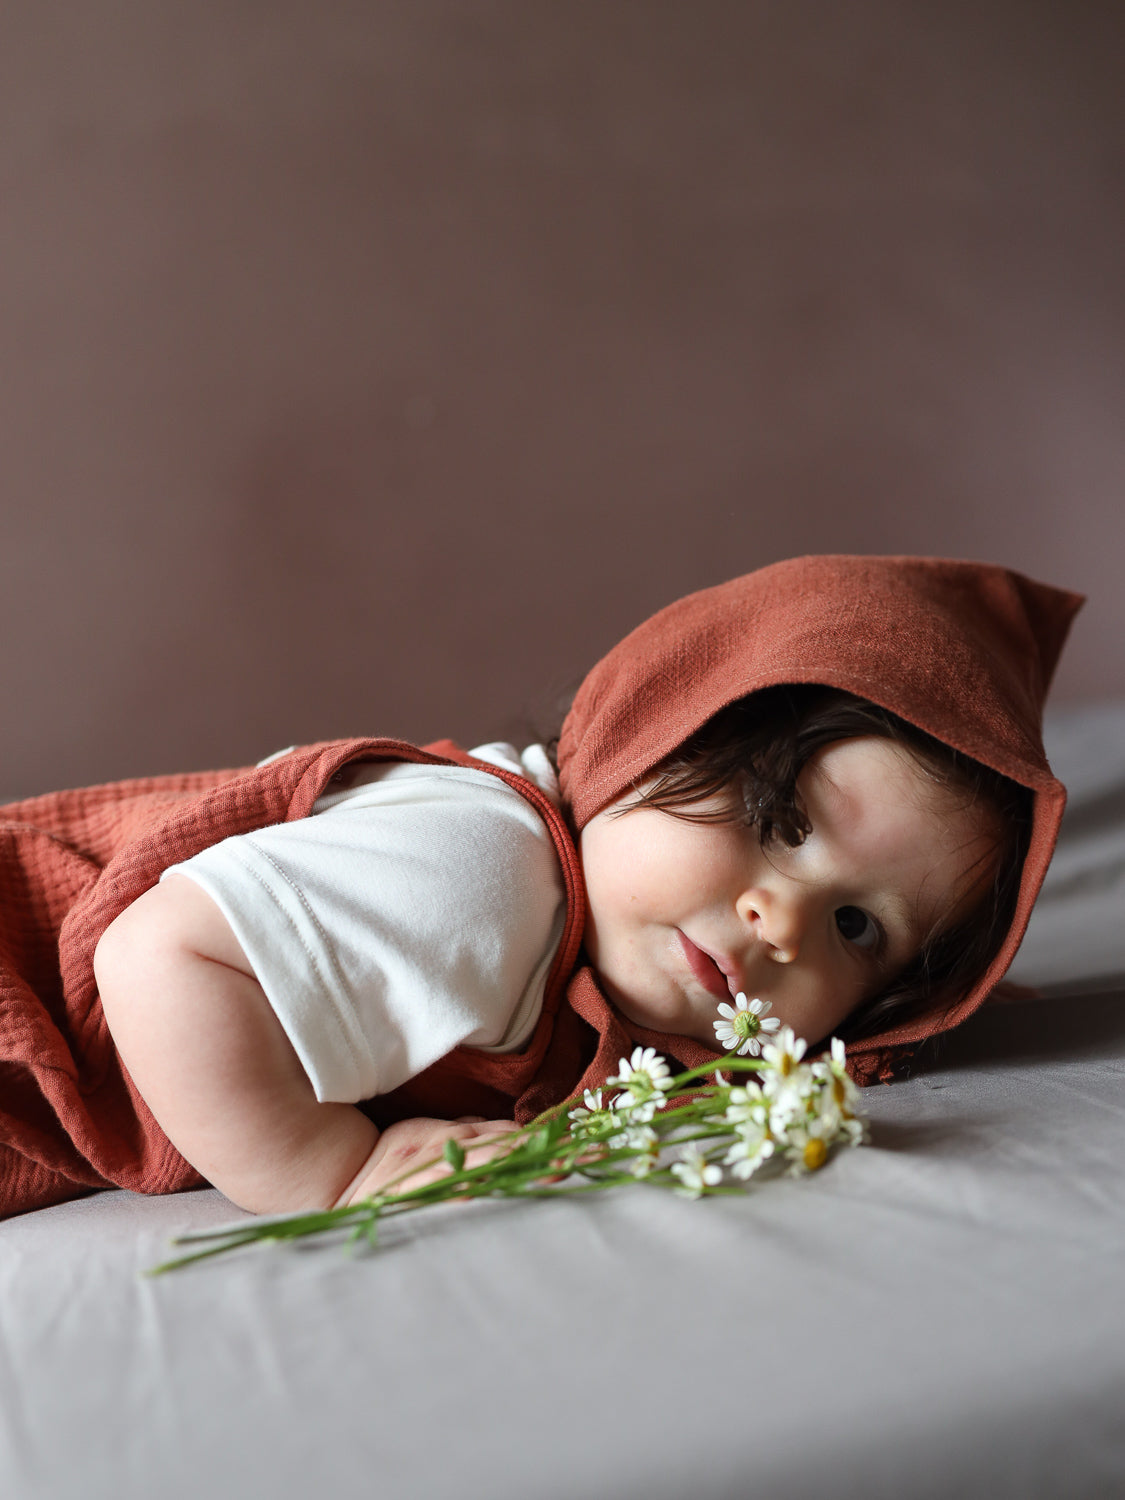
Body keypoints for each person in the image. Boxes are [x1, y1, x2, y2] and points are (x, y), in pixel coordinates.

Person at [0, 555, 1082, 1218]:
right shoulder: (488, 873)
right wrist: (328, 1173)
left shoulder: (633, 980)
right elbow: (156, 956)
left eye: (859, 926)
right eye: (775, 822)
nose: (781, 922)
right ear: (653, 730)